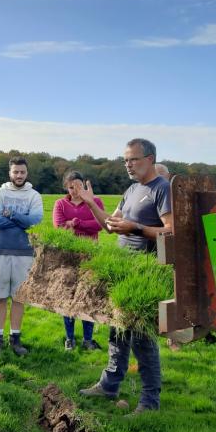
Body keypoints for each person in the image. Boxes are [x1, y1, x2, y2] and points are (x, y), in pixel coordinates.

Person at [78, 138, 172, 414]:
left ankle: (149, 402)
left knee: (143, 340)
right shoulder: (131, 189)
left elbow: (171, 230)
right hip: (124, 270)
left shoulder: (162, 188)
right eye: (125, 160)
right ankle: (109, 386)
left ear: (150, 159)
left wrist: (136, 228)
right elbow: (110, 226)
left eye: (133, 159)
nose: (128, 165)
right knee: (117, 331)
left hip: (146, 273)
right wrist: (90, 204)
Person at [0, 157, 43, 357]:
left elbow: (35, 221)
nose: (18, 175)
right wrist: (22, 220)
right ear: (9, 173)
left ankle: (16, 339)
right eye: (15, 172)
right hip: (1, 251)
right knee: (0, 297)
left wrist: (9, 214)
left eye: (22, 172)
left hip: (25, 252)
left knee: (19, 297)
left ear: (26, 174)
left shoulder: (34, 195)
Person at [53, 170, 104, 351]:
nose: (75, 190)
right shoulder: (60, 204)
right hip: (68, 256)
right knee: (68, 296)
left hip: (91, 256)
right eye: (71, 187)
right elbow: (59, 227)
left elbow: (99, 224)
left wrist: (75, 223)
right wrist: (70, 225)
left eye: (78, 186)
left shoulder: (95, 202)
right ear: (66, 187)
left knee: (87, 295)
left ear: (84, 185)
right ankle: (70, 338)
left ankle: (88, 339)